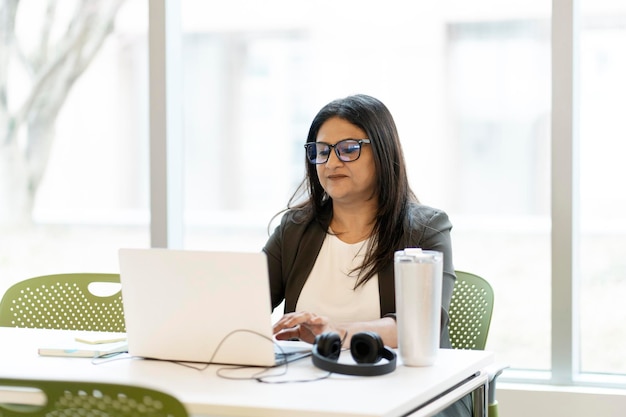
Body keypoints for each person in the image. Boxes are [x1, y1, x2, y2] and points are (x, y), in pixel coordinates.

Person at [263, 94, 471, 417]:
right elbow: (246, 302)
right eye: (322, 151)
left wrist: (338, 333)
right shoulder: (295, 229)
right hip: (308, 395)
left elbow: (417, 328)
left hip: (404, 397)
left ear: (383, 152)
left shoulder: (426, 229)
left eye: (348, 149)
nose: (332, 163)